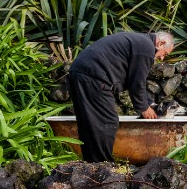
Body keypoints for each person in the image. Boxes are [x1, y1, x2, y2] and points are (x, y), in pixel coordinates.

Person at [68, 31, 175, 162]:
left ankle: (91, 163)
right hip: (94, 76)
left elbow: (132, 80)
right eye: (165, 54)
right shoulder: (146, 47)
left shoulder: (139, 41)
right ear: (160, 43)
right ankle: (103, 165)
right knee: (107, 121)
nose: (162, 58)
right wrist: (144, 108)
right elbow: (137, 82)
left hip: (79, 72)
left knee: (89, 122)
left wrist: (148, 103)